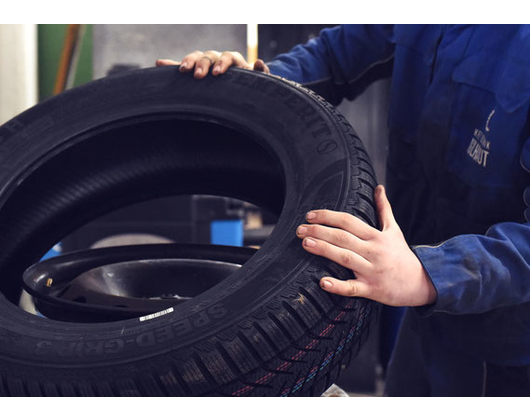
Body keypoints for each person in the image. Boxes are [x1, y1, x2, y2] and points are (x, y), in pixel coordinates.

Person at [157, 24, 530, 397]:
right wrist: (250, 85)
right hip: (424, 321)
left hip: (506, 344)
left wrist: (428, 274)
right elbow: (332, 57)